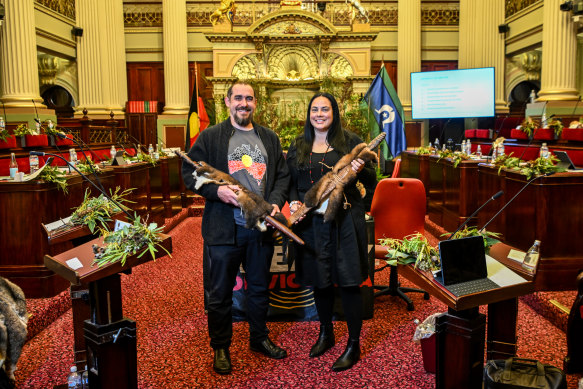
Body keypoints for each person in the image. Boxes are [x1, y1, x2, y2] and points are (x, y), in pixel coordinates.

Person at [182, 81, 290, 374]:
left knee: (258, 289)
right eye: (238, 98)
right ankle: (220, 347)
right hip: (223, 230)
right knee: (219, 293)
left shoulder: (269, 138)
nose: (244, 103)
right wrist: (216, 192)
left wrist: (275, 202)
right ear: (228, 102)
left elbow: (281, 176)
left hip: (259, 229)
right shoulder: (211, 136)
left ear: (256, 103)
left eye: (249, 98)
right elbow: (189, 171)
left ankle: (258, 338)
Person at [286, 92, 376, 371]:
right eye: (315, 109)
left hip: (345, 220)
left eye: (325, 109)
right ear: (309, 114)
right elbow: (290, 181)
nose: (320, 114)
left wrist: (360, 170)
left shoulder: (350, 142)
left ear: (334, 113)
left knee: (349, 282)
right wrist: (292, 201)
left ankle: (353, 343)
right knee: (320, 279)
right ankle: (326, 332)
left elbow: (374, 178)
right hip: (312, 223)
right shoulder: (299, 144)